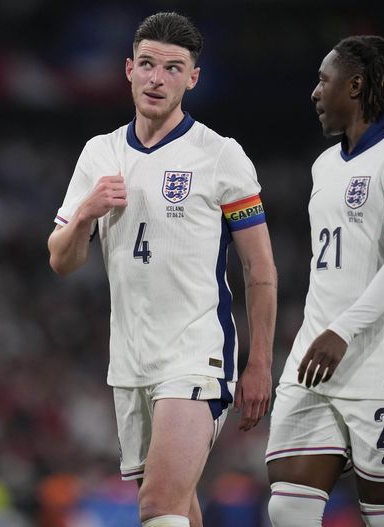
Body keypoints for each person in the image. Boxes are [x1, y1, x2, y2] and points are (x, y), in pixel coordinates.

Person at [48, 12, 277, 527]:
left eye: (173, 68)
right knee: (178, 509)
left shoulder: (220, 156)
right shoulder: (99, 153)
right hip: (129, 360)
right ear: (128, 69)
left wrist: (259, 361)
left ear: (193, 78)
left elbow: (258, 269)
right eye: (147, 64)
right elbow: (62, 260)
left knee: (158, 507)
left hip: (195, 353)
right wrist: (86, 212)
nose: (157, 78)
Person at [265, 35, 384, 527]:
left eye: (324, 81)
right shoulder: (324, 165)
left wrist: (343, 331)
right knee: (287, 506)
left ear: (357, 85)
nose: (315, 93)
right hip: (314, 359)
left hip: (383, 363)